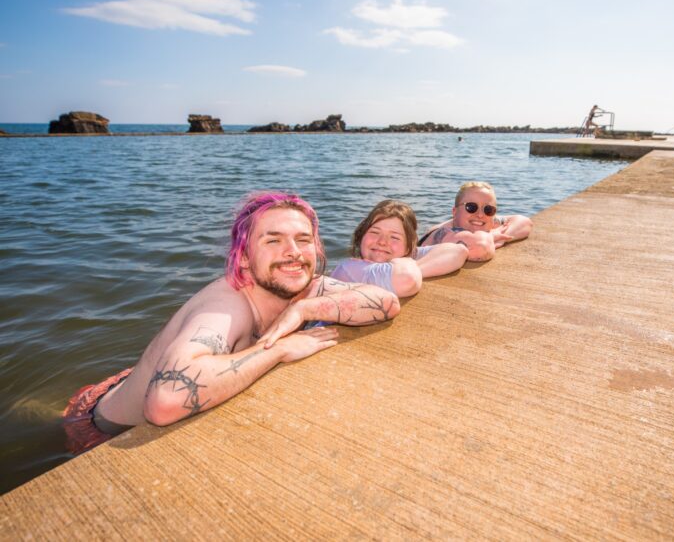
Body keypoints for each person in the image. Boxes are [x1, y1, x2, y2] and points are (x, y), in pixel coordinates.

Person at [62, 192, 400, 454]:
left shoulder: (306, 287)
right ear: (243, 257)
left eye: (303, 239)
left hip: (153, 371)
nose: (293, 251)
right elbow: (165, 401)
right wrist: (278, 350)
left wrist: (305, 310)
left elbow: (386, 302)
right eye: (273, 240)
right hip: (100, 423)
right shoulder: (228, 303)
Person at [330, 200, 468, 297]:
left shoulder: (404, 260)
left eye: (394, 237)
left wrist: (412, 266)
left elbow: (458, 251)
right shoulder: (348, 268)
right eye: (374, 232)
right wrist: (406, 266)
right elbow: (407, 279)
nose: (382, 242)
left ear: (408, 247)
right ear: (361, 235)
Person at [417, 181, 533, 262]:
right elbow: (480, 247)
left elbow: (524, 222)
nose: (480, 215)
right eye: (471, 207)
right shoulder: (444, 232)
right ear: (454, 211)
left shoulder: (486, 220)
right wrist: (492, 236)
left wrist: (501, 236)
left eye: (488, 209)